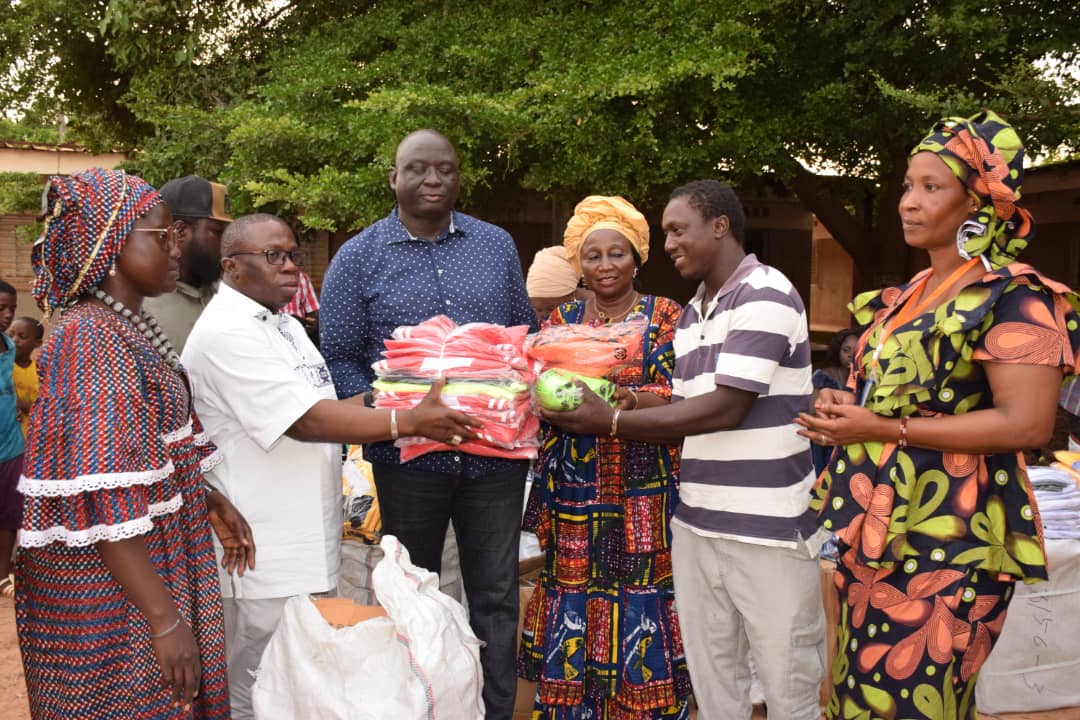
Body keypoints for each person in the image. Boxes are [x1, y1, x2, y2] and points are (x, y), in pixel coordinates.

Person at [796, 111, 1080, 720]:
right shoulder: (909, 295)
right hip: (873, 532)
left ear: (979, 201)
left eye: (932, 187)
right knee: (855, 697)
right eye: (907, 185)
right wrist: (848, 406)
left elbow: (1027, 425)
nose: (909, 202)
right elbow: (889, 398)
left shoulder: (1018, 297)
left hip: (951, 538)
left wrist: (884, 428)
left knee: (914, 703)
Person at [543, 180, 825, 720]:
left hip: (764, 528)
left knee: (788, 684)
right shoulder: (696, 312)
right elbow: (684, 402)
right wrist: (633, 397)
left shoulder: (764, 292)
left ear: (719, 226)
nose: (669, 243)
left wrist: (614, 420)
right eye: (666, 232)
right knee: (717, 682)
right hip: (696, 522)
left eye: (678, 229)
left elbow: (725, 407)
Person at [183, 212, 479, 720]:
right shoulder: (226, 331)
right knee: (256, 688)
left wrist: (416, 388)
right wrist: (408, 421)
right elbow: (306, 421)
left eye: (294, 255)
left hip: (307, 540)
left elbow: (334, 402)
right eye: (273, 256)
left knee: (300, 683)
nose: (291, 268)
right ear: (230, 265)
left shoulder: (285, 325)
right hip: (261, 552)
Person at [14, 168, 252, 719]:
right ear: (109, 242)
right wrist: (164, 620)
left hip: (140, 571)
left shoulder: (127, 326)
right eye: (160, 235)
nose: (175, 249)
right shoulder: (93, 338)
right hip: (110, 593)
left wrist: (207, 498)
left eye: (176, 235)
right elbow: (99, 499)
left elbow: (147, 444)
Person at [319, 128, 537, 718]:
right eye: (418, 168)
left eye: (445, 169)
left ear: (459, 177)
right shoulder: (358, 257)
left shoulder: (495, 246)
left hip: (495, 458)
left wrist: (516, 403)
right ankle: (417, 706)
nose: (433, 180)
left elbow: (522, 333)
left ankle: (491, 710)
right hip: (407, 459)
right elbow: (337, 354)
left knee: (495, 593)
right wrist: (393, 415)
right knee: (408, 589)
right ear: (394, 178)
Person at [517, 196, 689, 718]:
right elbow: (537, 386)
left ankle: (645, 706)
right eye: (593, 256)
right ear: (579, 264)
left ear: (637, 257)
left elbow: (682, 396)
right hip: (573, 481)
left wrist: (624, 400)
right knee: (572, 581)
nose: (606, 265)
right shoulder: (563, 317)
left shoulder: (666, 317)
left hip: (643, 483)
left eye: (618, 253)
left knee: (641, 584)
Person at [144, 174, 231, 353]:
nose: (227, 245)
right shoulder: (142, 309)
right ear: (180, 232)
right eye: (218, 233)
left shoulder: (229, 298)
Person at [811, 328, 861, 476]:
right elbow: (814, 409)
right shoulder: (825, 376)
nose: (850, 354)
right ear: (837, 351)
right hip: (826, 443)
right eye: (846, 350)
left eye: (856, 350)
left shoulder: (866, 380)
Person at [0, 280, 23, 600]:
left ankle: (3, 573)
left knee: (9, 515)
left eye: (12, 309)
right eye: (0, 309)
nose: (7, 315)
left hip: (11, 444)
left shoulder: (9, 345)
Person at [526, 245, 590, 326]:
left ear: (571, 296)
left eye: (551, 309)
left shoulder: (594, 315)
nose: (544, 316)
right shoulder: (531, 322)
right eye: (538, 310)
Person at [9, 316, 44, 436]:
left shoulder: (40, 371)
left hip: (33, 437)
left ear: (37, 343)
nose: (14, 340)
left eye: (22, 336)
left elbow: (45, 408)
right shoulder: (5, 368)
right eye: (11, 335)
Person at [280, 267, 321, 345]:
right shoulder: (264, 281)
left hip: (299, 337)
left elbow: (311, 312)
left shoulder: (302, 278)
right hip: (274, 337)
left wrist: (311, 325)